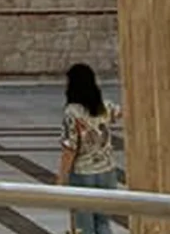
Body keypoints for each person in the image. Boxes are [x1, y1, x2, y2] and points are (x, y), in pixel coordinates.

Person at [56, 62, 123, 234]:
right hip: (107, 172)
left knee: (84, 227)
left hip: (83, 173)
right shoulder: (104, 106)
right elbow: (120, 112)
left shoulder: (72, 112)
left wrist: (61, 178)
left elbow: (70, 148)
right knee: (103, 224)